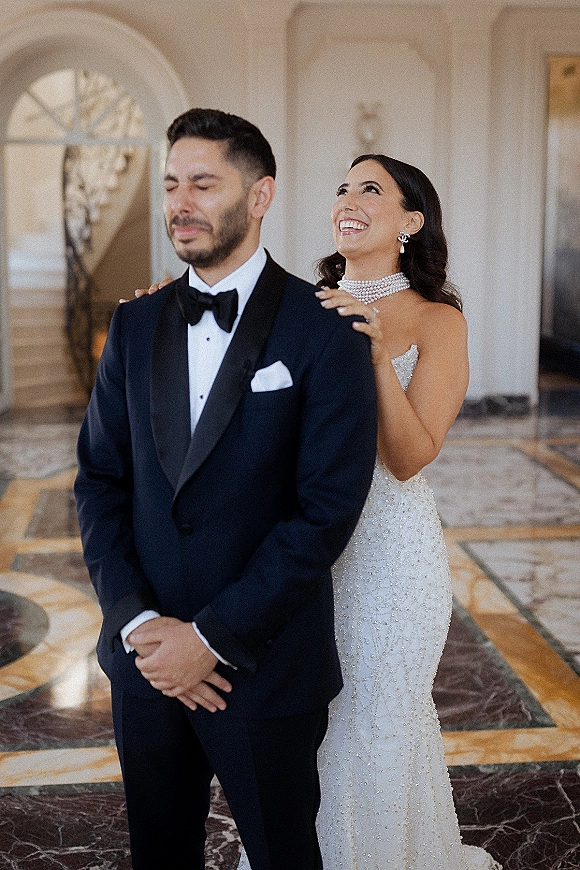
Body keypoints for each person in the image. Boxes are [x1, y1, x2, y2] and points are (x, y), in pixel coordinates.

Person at [135, 154, 502, 869]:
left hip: (390, 558)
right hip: (292, 552)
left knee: (378, 717)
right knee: (304, 726)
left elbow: (410, 455)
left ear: (411, 221)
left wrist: (368, 353)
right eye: (342, 187)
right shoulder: (295, 305)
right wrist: (170, 318)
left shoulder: (438, 320)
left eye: (372, 189)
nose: (348, 199)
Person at [74, 108, 378, 870]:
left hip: (265, 664)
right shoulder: (134, 324)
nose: (181, 201)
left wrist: (208, 639)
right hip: (144, 664)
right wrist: (143, 626)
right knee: (160, 854)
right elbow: (100, 482)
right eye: (173, 183)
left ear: (261, 193)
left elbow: (326, 511)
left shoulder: (327, 329)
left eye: (204, 183)